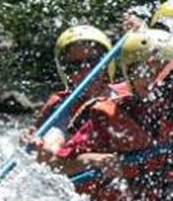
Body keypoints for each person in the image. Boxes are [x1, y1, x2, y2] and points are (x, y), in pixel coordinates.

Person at [51, 29, 173, 201]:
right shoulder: (106, 116)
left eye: (160, 71)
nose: (152, 79)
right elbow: (56, 164)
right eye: (143, 70)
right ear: (129, 75)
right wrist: (90, 160)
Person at [24, 24, 117, 161]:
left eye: (93, 61)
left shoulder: (127, 95)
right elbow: (50, 147)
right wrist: (37, 146)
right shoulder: (61, 107)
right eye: (76, 65)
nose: (86, 70)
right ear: (65, 72)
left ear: (107, 63)